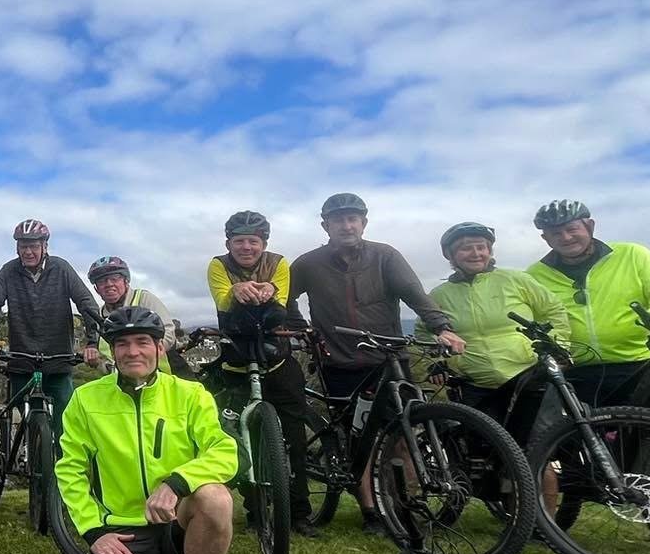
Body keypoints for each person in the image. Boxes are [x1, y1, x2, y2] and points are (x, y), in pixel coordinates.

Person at [290, 193, 465, 533]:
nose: (346, 225)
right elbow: (286, 297)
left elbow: (415, 294)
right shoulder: (309, 263)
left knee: (402, 432)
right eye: (338, 219)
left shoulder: (385, 256)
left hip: (389, 359)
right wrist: (299, 328)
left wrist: (443, 328)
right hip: (338, 362)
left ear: (363, 223)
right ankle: (372, 512)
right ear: (326, 225)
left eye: (352, 218)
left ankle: (402, 506)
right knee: (359, 442)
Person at [57, 308, 237, 554]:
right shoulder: (85, 399)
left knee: (216, 498)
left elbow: (224, 451)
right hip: (126, 532)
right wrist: (94, 531)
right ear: (113, 351)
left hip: (177, 520)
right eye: (122, 344)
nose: (133, 351)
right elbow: (70, 471)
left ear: (159, 348)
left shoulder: (190, 394)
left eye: (143, 342)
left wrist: (177, 483)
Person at [524, 199, 650, 408]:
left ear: (590, 226)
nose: (566, 237)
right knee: (579, 438)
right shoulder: (534, 275)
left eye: (572, 229)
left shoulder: (632, 255)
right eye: (555, 233)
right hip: (576, 372)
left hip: (639, 365)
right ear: (545, 238)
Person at [204, 211, 311, 536]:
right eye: (239, 241)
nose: (246, 247)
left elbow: (278, 299)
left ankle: (300, 513)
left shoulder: (279, 262)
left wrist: (263, 291)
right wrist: (237, 292)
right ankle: (254, 512)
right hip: (236, 363)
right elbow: (224, 302)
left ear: (264, 243)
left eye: (253, 241)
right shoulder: (218, 265)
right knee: (242, 438)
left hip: (276, 361)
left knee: (294, 437)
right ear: (229, 243)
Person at [418, 222, 571, 442]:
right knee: (486, 454)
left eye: (481, 247)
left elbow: (554, 311)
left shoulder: (517, 280)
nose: (476, 253)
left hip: (527, 378)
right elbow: (425, 330)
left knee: (538, 448)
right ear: (451, 256)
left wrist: (558, 346)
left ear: (490, 251)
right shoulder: (440, 294)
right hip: (474, 385)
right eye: (465, 248)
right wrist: (436, 362)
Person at [0, 219, 103, 443]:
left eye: (34, 246)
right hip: (21, 362)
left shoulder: (61, 268)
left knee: (66, 429)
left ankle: (62, 477)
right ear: (17, 248)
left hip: (58, 361)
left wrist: (92, 343)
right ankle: (29, 463)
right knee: (29, 425)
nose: (29, 251)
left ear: (45, 246)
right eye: (24, 246)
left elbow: (86, 304)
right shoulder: (9, 271)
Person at [87, 255, 180, 373]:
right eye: (101, 281)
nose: (109, 284)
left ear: (126, 281)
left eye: (115, 278)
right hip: (120, 382)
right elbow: (106, 353)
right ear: (96, 289)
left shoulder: (144, 298)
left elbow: (168, 331)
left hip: (163, 374)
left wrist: (145, 354)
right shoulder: (99, 314)